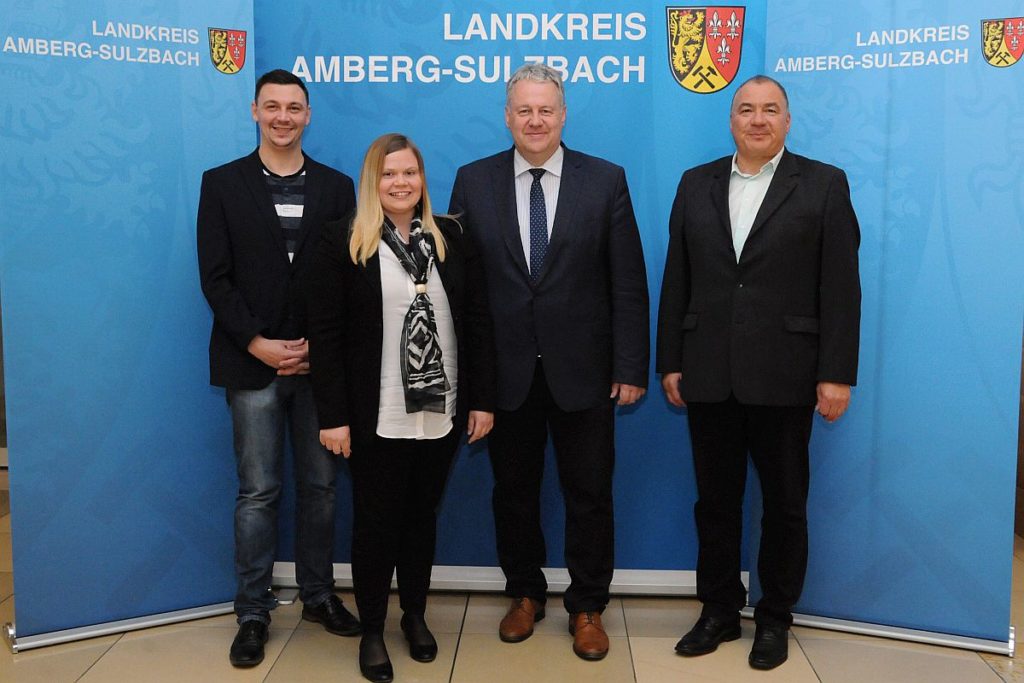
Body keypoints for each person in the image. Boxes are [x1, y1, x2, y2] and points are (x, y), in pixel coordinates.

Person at [656, 74, 861, 670]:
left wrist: (836, 373)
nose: (757, 119)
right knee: (715, 503)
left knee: (784, 504)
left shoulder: (823, 184)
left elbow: (840, 288)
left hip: (788, 374)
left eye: (771, 110)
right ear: (731, 120)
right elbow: (678, 279)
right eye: (746, 109)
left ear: (788, 121)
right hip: (708, 373)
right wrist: (671, 358)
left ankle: (775, 617)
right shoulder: (696, 184)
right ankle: (718, 610)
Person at [449, 63, 650, 661]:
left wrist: (631, 366)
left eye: (546, 110)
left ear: (563, 116)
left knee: (590, 493)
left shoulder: (605, 179)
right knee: (513, 491)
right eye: (524, 111)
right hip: (505, 374)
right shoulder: (472, 180)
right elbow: (461, 287)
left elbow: (628, 282)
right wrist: (469, 377)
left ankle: (587, 605)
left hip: (585, 372)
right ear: (507, 117)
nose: (535, 121)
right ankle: (524, 593)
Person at [307, 133, 496, 683]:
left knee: (421, 519)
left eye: (410, 173)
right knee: (375, 523)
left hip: (440, 408)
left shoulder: (451, 238)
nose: (400, 183)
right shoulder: (342, 241)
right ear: (373, 181)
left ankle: (414, 614)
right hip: (375, 413)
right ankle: (371, 629)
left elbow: (478, 323)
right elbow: (326, 334)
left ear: (422, 180)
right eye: (389, 174)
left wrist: (481, 401)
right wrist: (333, 416)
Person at [197, 68, 360, 668]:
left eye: (295, 107)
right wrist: (256, 343)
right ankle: (253, 611)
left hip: (321, 368)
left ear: (309, 115)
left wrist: (322, 345)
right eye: (273, 107)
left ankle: (318, 594)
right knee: (259, 492)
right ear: (255, 112)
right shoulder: (221, 184)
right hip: (253, 365)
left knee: (320, 489)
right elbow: (214, 277)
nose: (284, 117)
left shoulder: (339, 188)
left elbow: (350, 277)